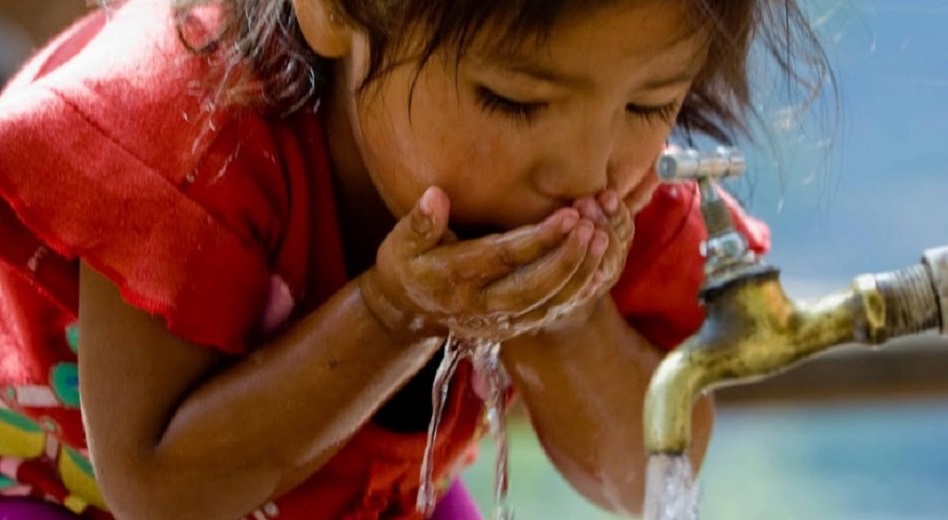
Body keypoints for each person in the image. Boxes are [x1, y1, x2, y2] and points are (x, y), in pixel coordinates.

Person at [0, 0, 829, 518]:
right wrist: (395, 314)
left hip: (383, 498)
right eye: (513, 100)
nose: (582, 169)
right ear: (337, 11)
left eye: (651, 103)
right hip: (68, 493)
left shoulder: (619, 175)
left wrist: (561, 316)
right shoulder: (184, 131)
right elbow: (160, 492)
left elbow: (652, 479)